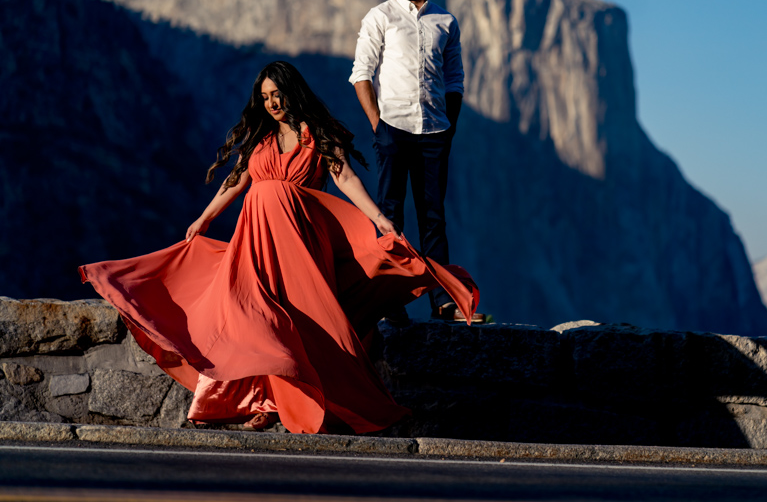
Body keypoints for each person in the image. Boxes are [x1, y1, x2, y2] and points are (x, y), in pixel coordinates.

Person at [80, 60, 478, 434]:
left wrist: (378, 218)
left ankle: (295, 400)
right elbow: (236, 181)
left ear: (292, 93)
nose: (271, 104)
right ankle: (263, 400)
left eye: (277, 95)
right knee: (255, 317)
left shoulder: (318, 134)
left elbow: (346, 178)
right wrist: (204, 219)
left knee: (298, 319)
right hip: (256, 241)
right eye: (265, 97)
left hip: (300, 244)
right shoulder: (261, 138)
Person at [350, 0, 483, 323]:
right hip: (393, 129)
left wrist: (450, 123)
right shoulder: (381, 16)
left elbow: (454, 78)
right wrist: (378, 125)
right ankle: (389, 302)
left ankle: (444, 301)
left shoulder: (446, 21)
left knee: (433, 218)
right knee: (390, 215)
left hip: (435, 132)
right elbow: (361, 73)